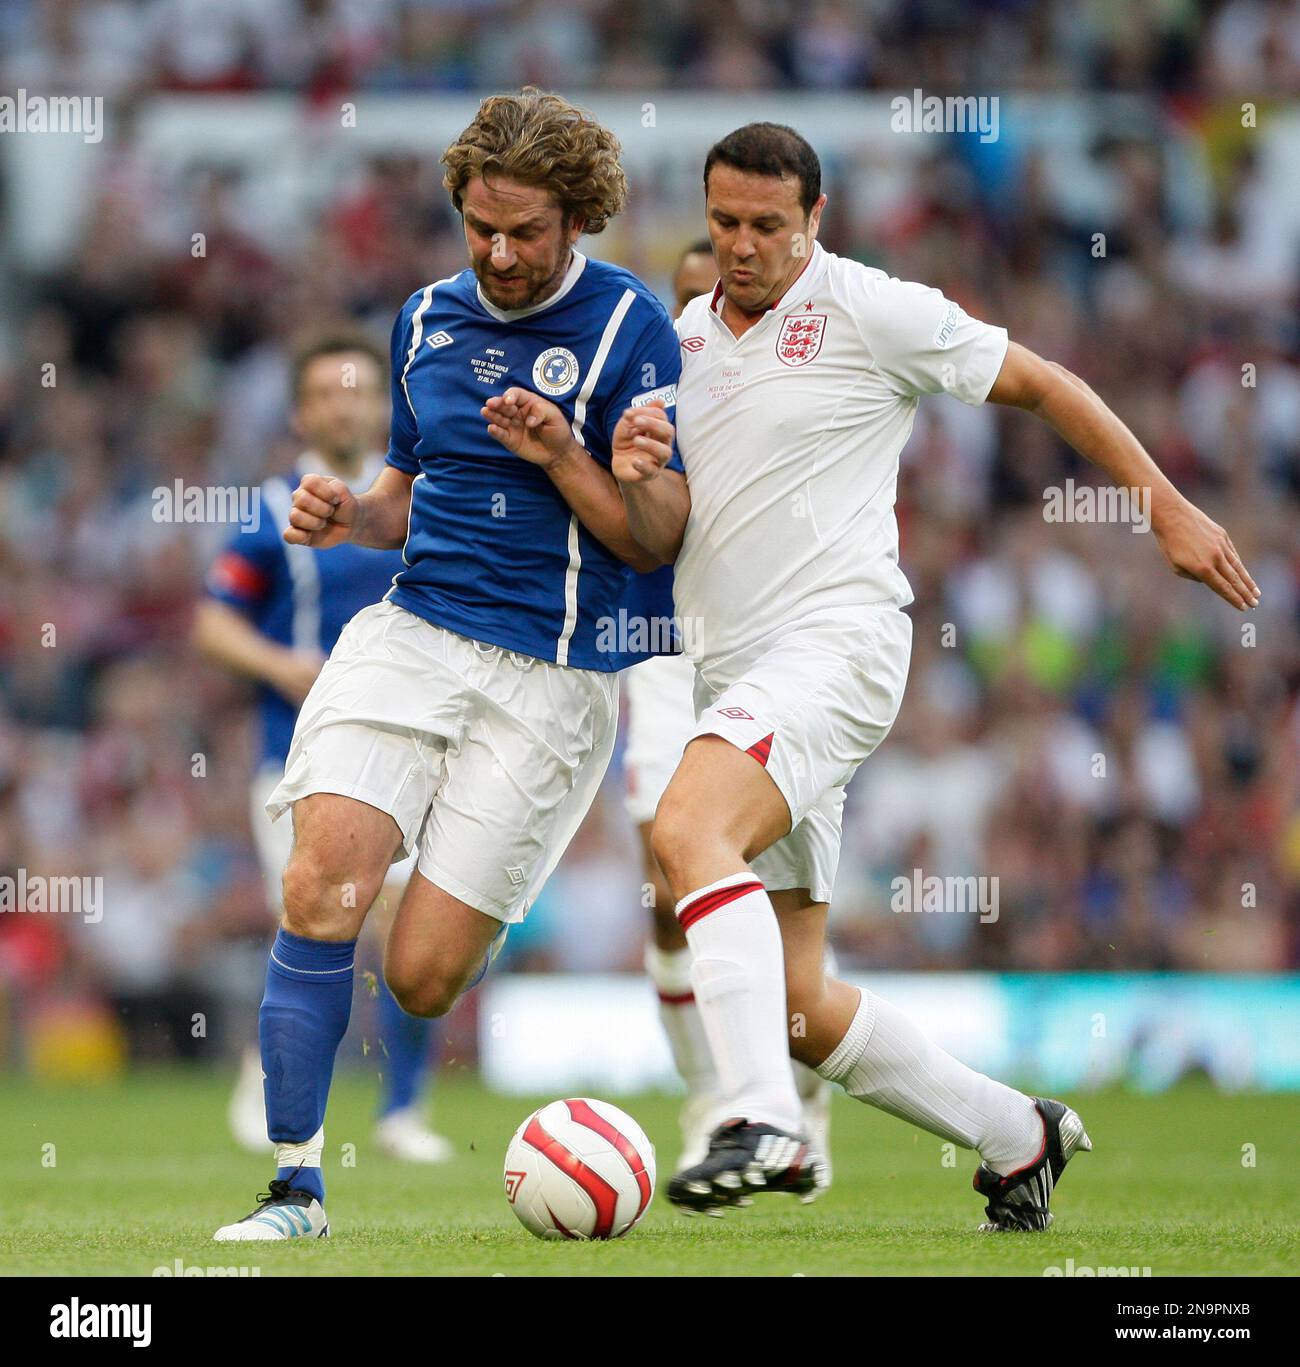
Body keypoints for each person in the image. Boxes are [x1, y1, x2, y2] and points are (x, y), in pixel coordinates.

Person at [617, 123, 1258, 1230]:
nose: (742, 244)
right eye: (724, 221)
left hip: (835, 647)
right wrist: (628, 469)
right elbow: (664, 533)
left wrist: (1160, 499)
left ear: (814, 220)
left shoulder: (870, 307)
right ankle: (1019, 1134)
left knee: (682, 833)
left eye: (768, 224)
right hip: (739, 677)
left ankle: (757, 1118)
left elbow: (1044, 382)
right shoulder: (683, 340)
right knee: (797, 1004)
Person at [213, 88, 688, 1242]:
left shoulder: (632, 326)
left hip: (553, 674)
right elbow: (401, 494)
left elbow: (653, 537)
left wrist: (564, 452)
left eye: (526, 230)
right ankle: (295, 1188)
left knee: (421, 975)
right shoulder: (425, 318)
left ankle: (406, 1069)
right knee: (321, 881)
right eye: (481, 226)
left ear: (576, 216)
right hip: (412, 634)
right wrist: (348, 515)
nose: (501, 252)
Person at [194, 329, 452, 1165]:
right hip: (298, 756)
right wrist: (279, 663)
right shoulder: (270, 510)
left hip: (416, 751)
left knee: (414, 931)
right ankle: (278, 1085)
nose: (345, 404)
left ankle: (401, 1109)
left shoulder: (422, 500)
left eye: (360, 390)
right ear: (304, 409)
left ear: (385, 403)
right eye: (327, 392)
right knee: (323, 913)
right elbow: (210, 618)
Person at [625, 240, 830, 1176]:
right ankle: (714, 1097)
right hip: (664, 658)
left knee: (762, 892)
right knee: (669, 880)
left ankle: (790, 1098)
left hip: (776, 656)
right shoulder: (650, 366)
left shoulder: (799, 377)